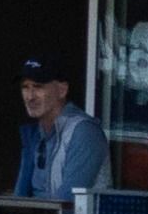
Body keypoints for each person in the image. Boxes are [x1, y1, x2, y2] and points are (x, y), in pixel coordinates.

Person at [12, 54, 107, 202]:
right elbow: (19, 199)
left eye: (38, 86)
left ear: (62, 90)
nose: (30, 96)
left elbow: (66, 205)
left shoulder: (84, 132)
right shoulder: (34, 135)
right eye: (25, 87)